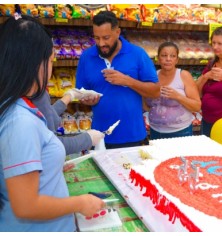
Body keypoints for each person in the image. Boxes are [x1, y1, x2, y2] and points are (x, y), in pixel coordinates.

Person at [0, 15, 104, 231]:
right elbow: (26, 206)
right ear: (35, 63)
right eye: (50, 60)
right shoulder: (19, 122)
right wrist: (81, 202)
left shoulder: (18, 106)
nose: (51, 67)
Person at [76, 11, 160, 149]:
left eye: (106, 37)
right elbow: (80, 92)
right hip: (99, 138)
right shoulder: (86, 57)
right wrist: (86, 99)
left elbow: (155, 92)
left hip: (133, 137)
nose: (101, 43)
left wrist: (128, 81)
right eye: (96, 38)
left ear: (117, 32)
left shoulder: (137, 54)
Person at [144, 42, 201, 139]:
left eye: (172, 56)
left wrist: (177, 96)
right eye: (164, 55)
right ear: (158, 58)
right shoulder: (153, 77)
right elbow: (145, 102)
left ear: (177, 60)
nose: (168, 59)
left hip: (181, 132)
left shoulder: (184, 76)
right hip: (155, 131)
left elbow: (196, 106)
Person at [33, 90, 104, 155]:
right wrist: (88, 139)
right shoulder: (37, 93)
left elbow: (46, 115)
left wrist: (70, 95)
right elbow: (51, 145)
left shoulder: (37, 91)